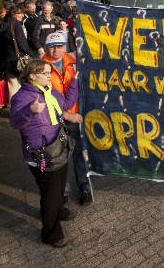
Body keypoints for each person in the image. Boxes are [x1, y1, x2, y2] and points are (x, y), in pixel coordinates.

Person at [10, 59, 82, 247]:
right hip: (41, 155)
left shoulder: (48, 91)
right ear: (32, 76)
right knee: (50, 194)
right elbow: (15, 122)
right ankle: (50, 232)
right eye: (45, 73)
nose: (49, 76)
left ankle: (58, 211)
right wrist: (30, 110)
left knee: (58, 188)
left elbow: (65, 104)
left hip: (58, 148)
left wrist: (74, 81)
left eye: (49, 72)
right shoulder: (22, 97)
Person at [42, 32, 93, 206]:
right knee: (58, 159)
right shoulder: (40, 68)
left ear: (65, 45)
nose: (56, 50)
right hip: (54, 121)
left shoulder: (73, 61)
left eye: (60, 45)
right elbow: (43, 99)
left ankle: (84, 188)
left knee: (79, 155)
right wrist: (65, 114)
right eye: (52, 46)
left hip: (75, 118)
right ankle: (62, 193)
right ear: (46, 46)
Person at [0, 6, 33, 100]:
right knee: (25, 85)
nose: (22, 15)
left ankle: (14, 109)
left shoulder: (2, 24)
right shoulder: (16, 25)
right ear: (14, 14)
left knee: (12, 86)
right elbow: (22, 43)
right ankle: (21, 108)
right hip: (17, 61)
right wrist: (29, 53)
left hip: (5, 59)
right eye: (20, 13)